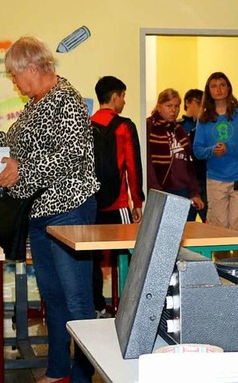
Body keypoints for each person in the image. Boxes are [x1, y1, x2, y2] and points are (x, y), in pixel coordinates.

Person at [0, 36, 97, 383]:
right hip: (40, 213)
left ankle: (85, 376)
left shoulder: (65, 100)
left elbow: (71, 154)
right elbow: (20, 145)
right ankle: (57, 370)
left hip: (69, 208)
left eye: (14, 75)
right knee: (53, 298)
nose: (14, 82)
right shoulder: (36, 103)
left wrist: (23, 170)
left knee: (77, 301)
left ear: (31, 67)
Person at [90, 75, 144, 317]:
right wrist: (137, 202)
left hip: (90, 205)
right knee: (130, 255)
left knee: (90, 257)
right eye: (123, 96)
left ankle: (97, 306)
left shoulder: (84, 126)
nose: (123, 101)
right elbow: (133, 166)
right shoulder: (124, 126)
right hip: (118, 203)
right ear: (115, 97)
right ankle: (130, 309)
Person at [193, 72, 238, 231]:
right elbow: (197, 150)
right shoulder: (203, 118)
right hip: (215, 179)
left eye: (222, 85)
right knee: (218, 228)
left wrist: (230, 148)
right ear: (209, 91)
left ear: (228, 88)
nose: (218, 89)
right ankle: (222, 257)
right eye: (214, 86)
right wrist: (212, 151)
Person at [147, 88, 204, 220]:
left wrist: (194, 192)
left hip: (182, 190)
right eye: (169, 106)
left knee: (184, 233)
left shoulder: (180, 131)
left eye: (176, 106)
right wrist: (156, 189)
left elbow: (189, 165)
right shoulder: (150, 126)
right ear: (159, 106)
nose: (173, 110)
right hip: (162, 189)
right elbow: (147, 163)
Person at [178, 88, 208, 221]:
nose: (203, 107)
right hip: (185, 181)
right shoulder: (178, 126)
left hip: (204, 178)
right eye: (199, 103)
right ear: (188, 102)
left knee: (211, 222)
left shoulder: (207, 125)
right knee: (185, 222)